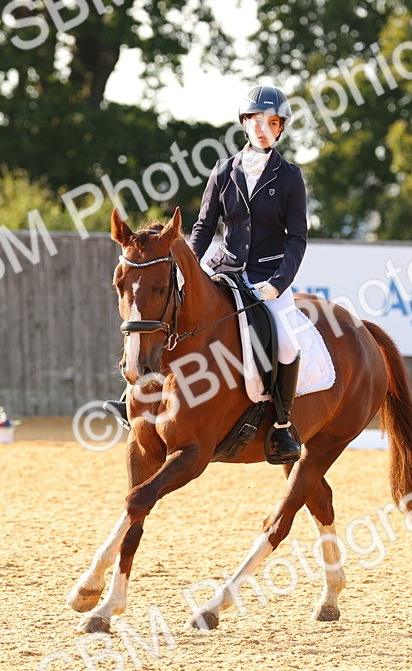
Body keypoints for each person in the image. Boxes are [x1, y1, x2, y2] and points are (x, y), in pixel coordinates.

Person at [104, 85, 308, 464]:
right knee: (168, 317)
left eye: (273, 122)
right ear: (245, 124)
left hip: (266, 277)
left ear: (280, 129)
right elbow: (202, 227)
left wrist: (278, 283)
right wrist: (187, 267)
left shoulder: (290, 176)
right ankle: (132, 399)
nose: (264, 128)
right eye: (256, 121)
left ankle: (281, 427)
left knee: (287, 345)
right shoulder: (223, 170)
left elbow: (297, 238)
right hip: (222, 270)